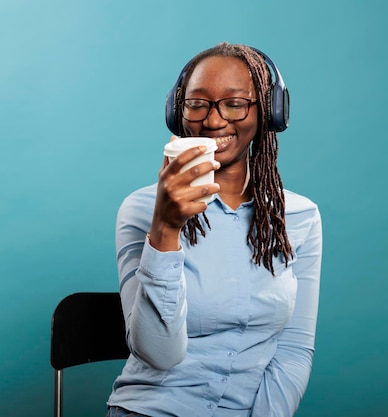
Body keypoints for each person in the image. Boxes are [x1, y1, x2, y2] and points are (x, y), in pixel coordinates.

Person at [106, 42, 322, 417]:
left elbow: (293, 350)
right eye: (197, 103)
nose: (213, 120)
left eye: (235, 103)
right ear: (178, 110)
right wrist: (165, 229)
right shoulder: (143, 210)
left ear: (269, 112)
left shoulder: (299, 218)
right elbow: (158, 353)